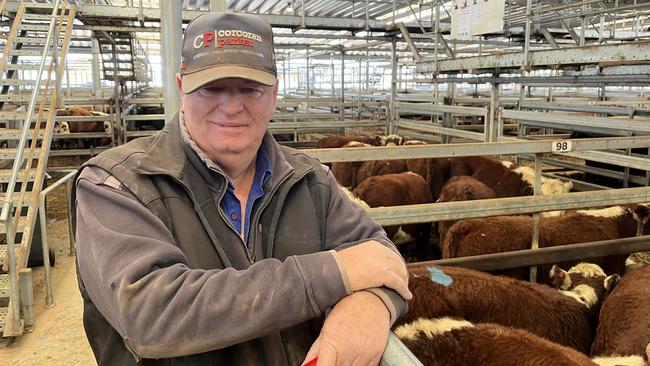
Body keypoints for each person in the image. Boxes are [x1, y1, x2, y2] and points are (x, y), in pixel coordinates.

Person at [73, 11, 411, 366]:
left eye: (250, 88)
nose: (232, 106)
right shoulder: (116, 184)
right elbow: (150, 312)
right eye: (212, 87)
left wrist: (371, 304)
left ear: (274, 93)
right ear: (181, 87)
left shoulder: (311, 181)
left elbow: (382, 259)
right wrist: (333, 273)